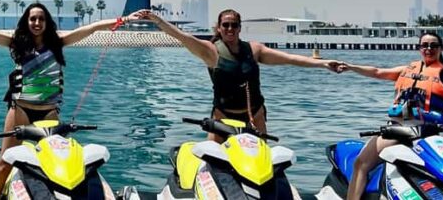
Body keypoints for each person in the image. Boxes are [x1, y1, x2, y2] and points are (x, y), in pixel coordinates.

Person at [0, 2, 122, 200]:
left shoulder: (58, 42)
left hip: (49, 113)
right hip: (21, 110)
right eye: (33, 19)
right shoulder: (17, 43)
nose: (37, 22)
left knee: (56, 161)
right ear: (27, 21)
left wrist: (122, 20)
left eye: (41, 19)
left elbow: (91, 28)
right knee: (6, 161)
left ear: (47, 22)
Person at [341, 2, 443, 200]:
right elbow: (376, 72)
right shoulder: (406, 70)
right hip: (397, 130)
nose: (428, 49)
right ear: (419, 48)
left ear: (440, 48)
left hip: (425, 133)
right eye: (424, 45)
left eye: (433, 45)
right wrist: (349, 66)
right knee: (361, 164)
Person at [131, 8, 345, 139]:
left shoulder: (254, 50)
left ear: (240, 27)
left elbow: (290, 59)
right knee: (211, 164)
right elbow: (182, 36)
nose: (230, 29)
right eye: (226, 25)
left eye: (234, 25)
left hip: (255, 116)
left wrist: (324, 64)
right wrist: (157, 20)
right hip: (223, 117)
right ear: (219, 28)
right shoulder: (211, 52)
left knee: (261, 166)